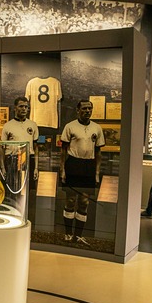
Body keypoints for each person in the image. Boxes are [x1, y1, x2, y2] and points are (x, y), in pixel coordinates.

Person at [60, 100, 104, 245]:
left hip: (88, 166)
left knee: (84, 202)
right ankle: (67, 233)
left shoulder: (97, 128)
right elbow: (63, 151)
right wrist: (63, 170)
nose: (87, 111)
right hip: (73, 164)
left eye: (90, 109)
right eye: (84, 108)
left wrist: (97, 172)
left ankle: (78, 235)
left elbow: (98, 152)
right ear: (77, 110)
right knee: (71, 200)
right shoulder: (70, 126)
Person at [1, 97, 40, 222]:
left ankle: (26, 217)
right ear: (15, 108)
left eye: (26, 107)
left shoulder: (32, 125)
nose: (24, 109)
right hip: (12, 159)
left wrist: (36, 168)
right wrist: (2, 167)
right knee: (12, 190)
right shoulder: (8, 126)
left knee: (28, 190)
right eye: (21, 106)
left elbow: (36, 148)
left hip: (28, 159)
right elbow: (1, 148)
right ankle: (12, 217)